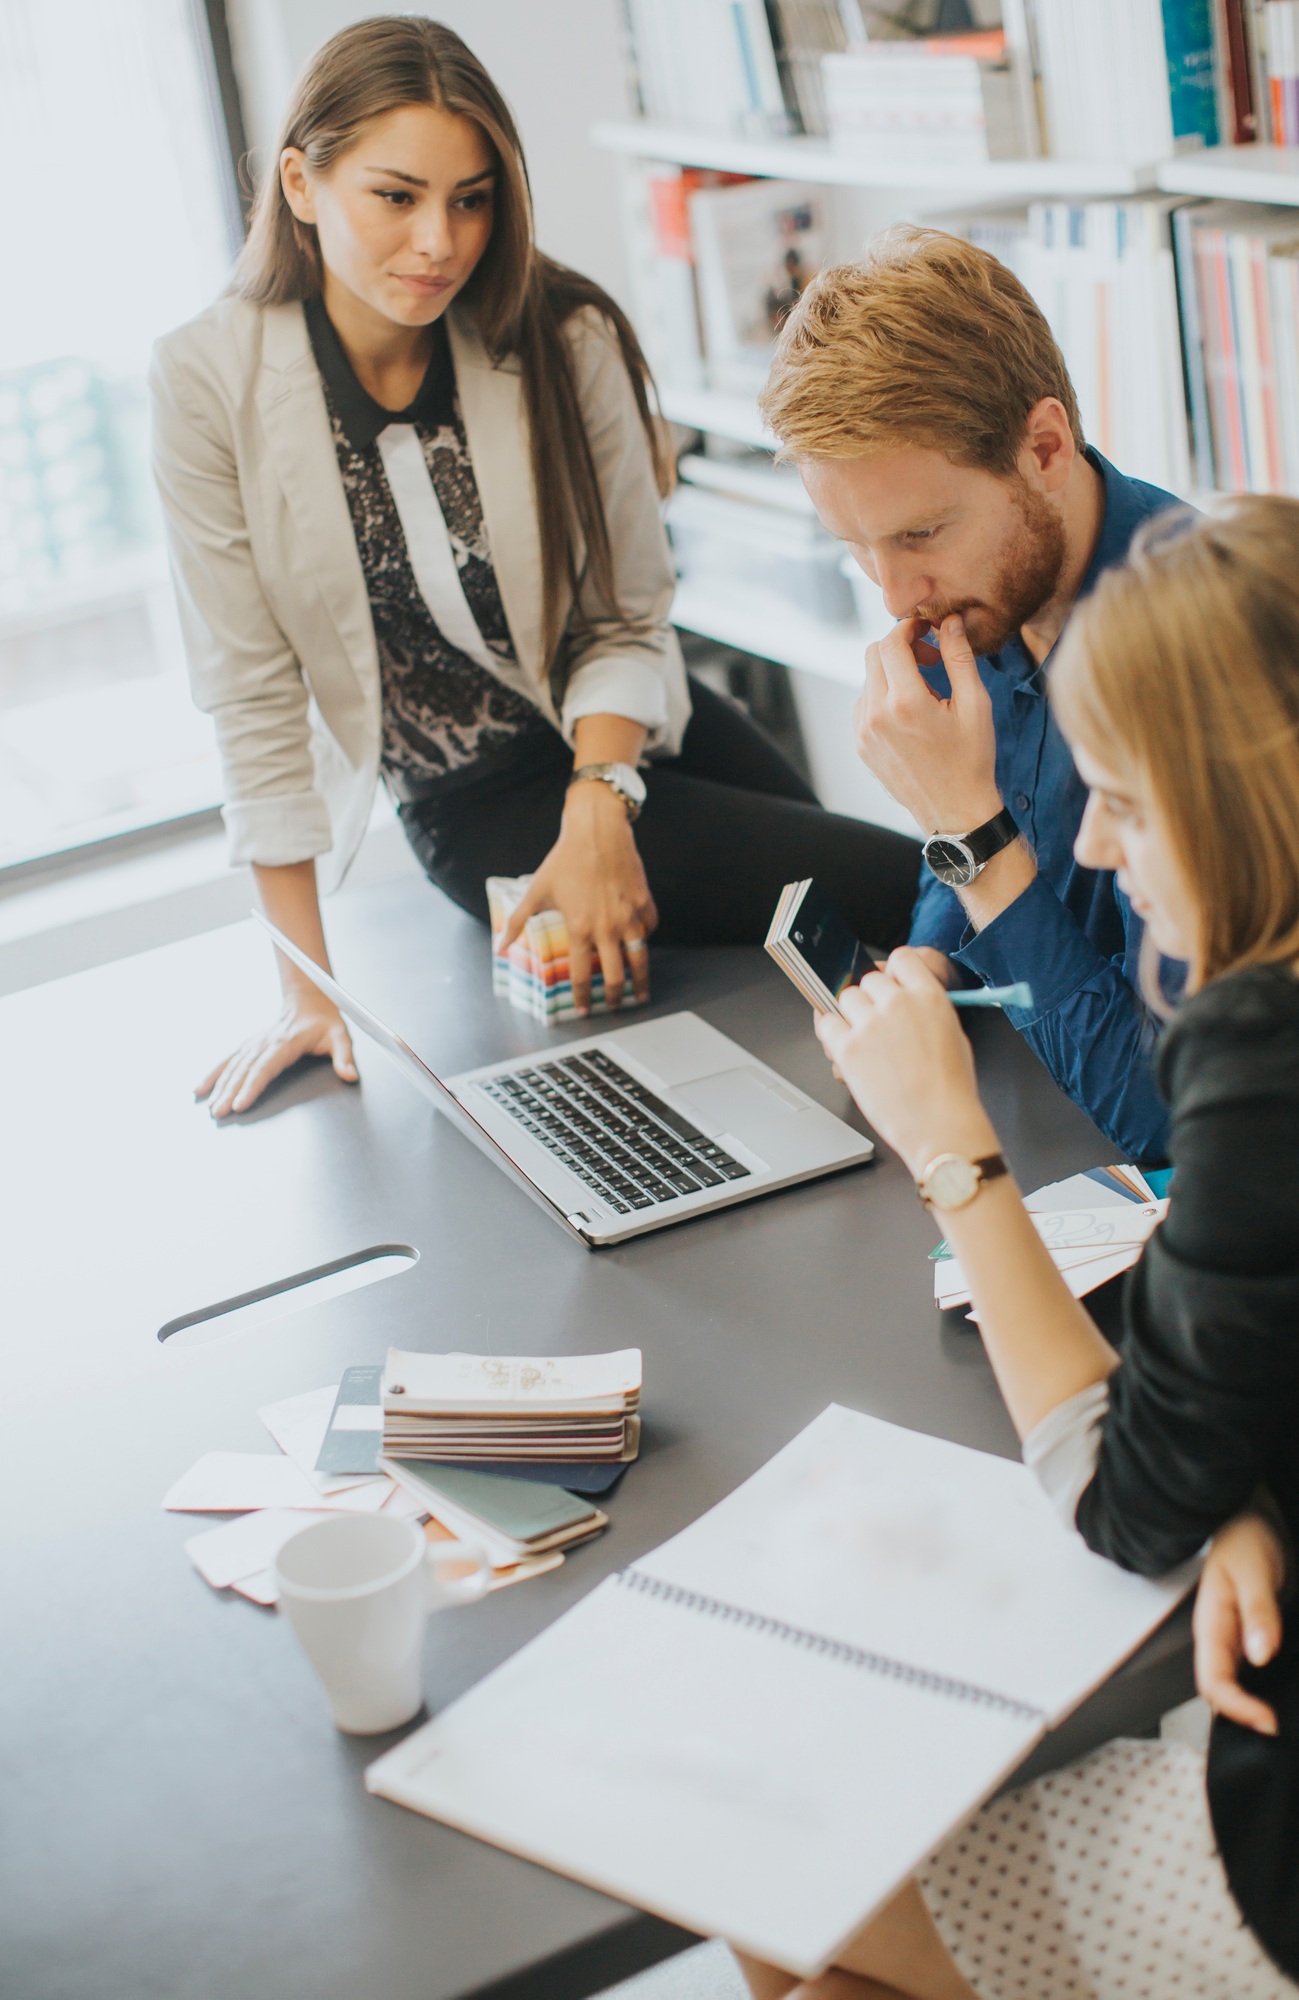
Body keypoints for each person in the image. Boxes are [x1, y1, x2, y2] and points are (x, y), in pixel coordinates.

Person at [151, 17, 921, 1118]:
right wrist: (302, 990)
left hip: (632, 714)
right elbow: (253, 697)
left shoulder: (560, 333)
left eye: (472, 198)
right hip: (481, 795)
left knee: (862, 927)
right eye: (396, 195)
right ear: (302, 183)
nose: (440, 241)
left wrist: (600, 804)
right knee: (893, 895)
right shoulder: (205, 383)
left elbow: (627, 614)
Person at [735, 498, 1299, 2000]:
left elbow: (1119, 1504)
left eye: (1120, 798)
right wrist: (1237, 1475)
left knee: (777, 1866)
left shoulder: (1265, 1050)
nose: (1100, 852)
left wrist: (951, 1154)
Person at [759, 228, 1185, 1165]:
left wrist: (967, 828)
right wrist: (930, 955)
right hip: (1041, 1110)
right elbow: (983, 831)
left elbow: (1177, 1124)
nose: (895, 595)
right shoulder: (992, 595)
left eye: (920, 532)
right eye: (857, 548)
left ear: (1043, 448)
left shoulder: (1197, 662)